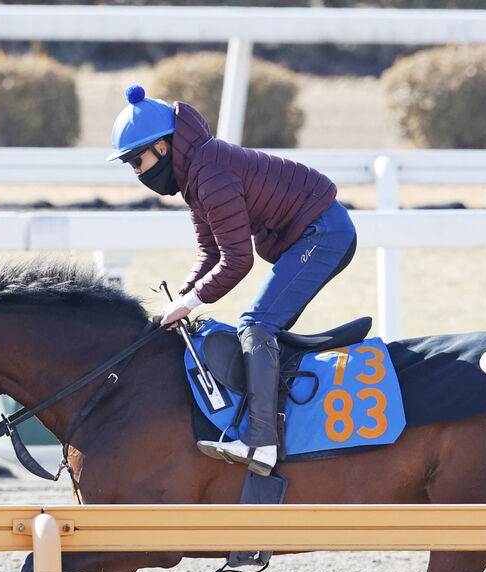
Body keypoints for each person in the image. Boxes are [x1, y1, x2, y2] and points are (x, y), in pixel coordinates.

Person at [108, 84, 357, 476]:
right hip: (315, 229)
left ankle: (261, 442)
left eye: (136, 161)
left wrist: (190, 303)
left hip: (325, 233)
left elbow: (237, 260)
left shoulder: (211, 176)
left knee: (256, 324)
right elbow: (209, 254)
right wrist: (180, 300)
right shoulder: (197, 176)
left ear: (161, 147)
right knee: (260, 325)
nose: (137, 172)